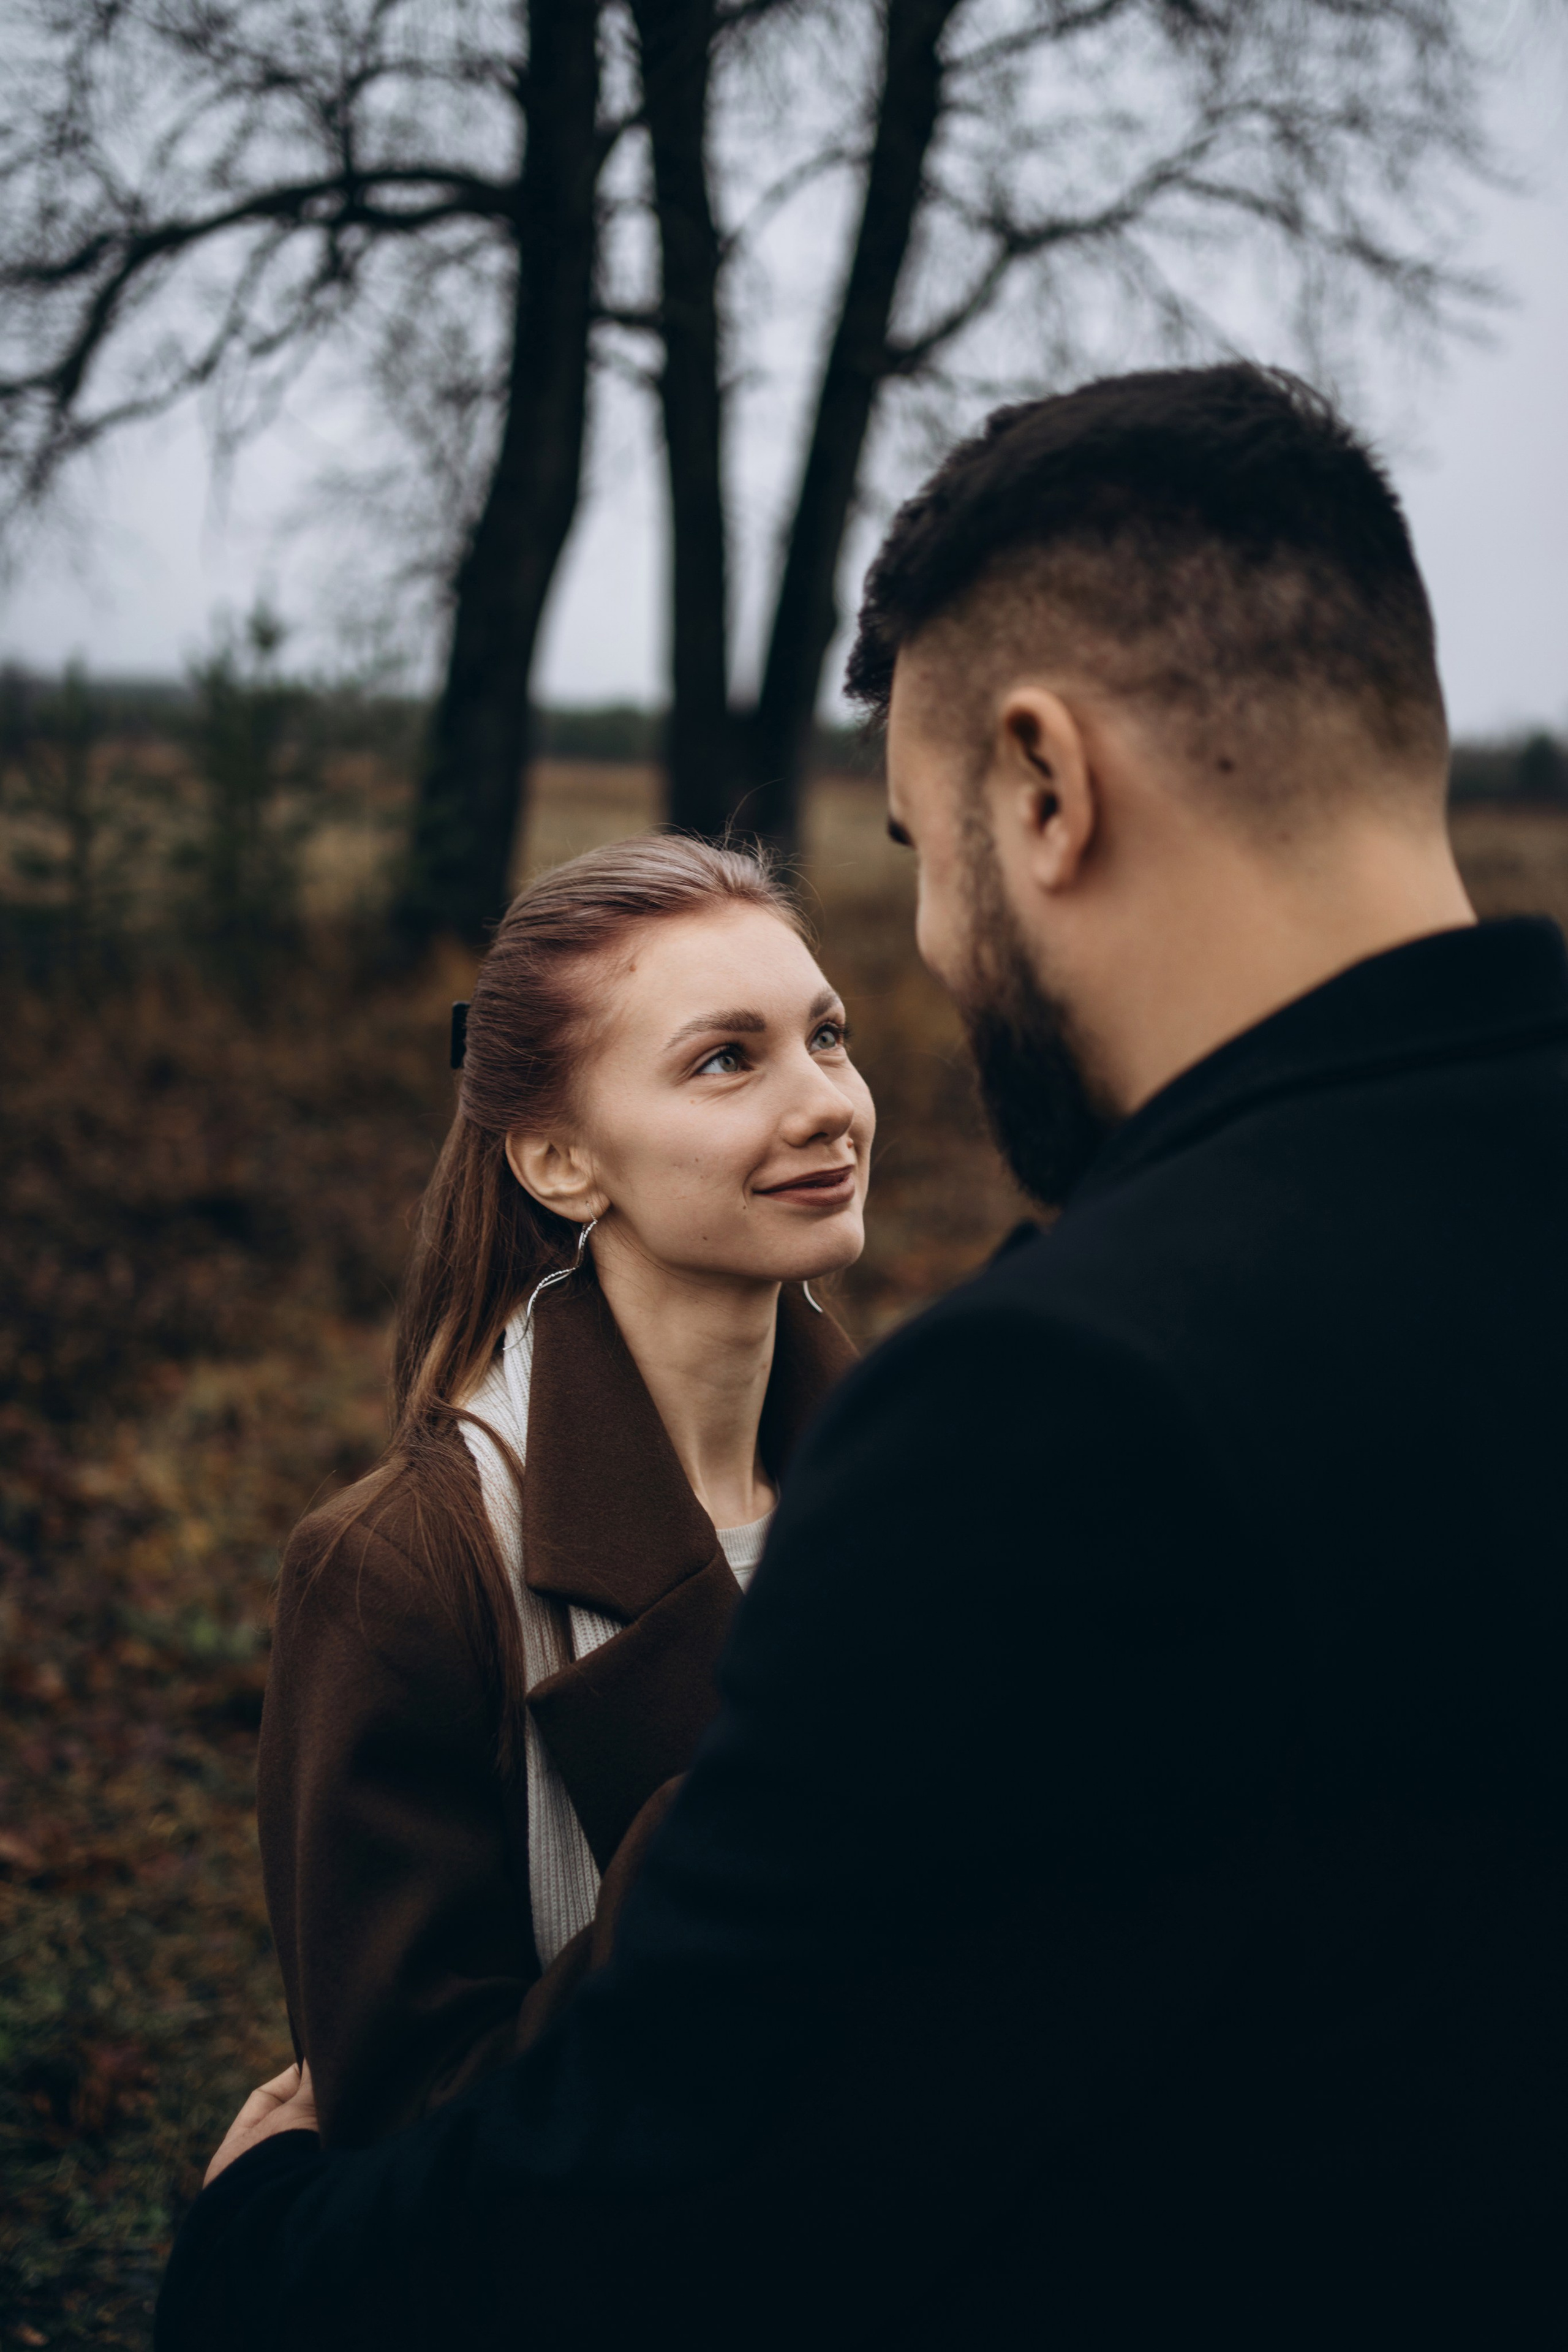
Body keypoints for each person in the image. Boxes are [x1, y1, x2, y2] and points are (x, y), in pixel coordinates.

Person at [157, 363, 1567, 2350]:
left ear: (1045, 787)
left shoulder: (1056, 1413)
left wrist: (259, 2251)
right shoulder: (426, 1565)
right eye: (726, 1055)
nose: (916, 961)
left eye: (915, 848)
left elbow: (672, 2191)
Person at [256, 835, 868, 2146]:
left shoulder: (924, 1492)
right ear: (558, 1164)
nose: (826, 1102)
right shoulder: (405, 1572)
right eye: (725, 1059)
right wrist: (780, 1805)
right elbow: (416, 2128)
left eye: (827, 1035)